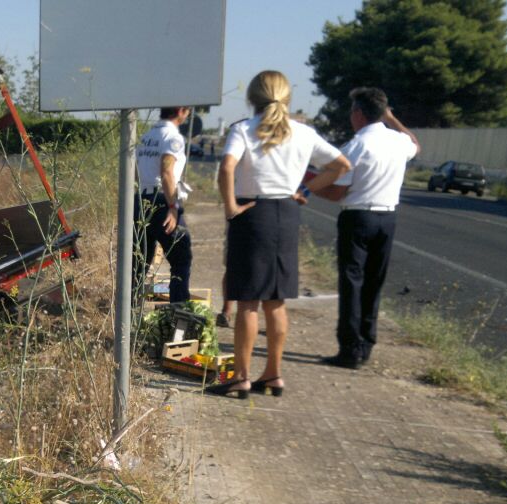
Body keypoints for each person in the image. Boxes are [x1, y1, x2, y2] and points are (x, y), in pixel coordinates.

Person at [207, 70, 351, 399]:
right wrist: (306, 189)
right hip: (286, 214)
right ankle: (273, 373)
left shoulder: (243, 129)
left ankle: (241, 376)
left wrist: (230, 206)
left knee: (247, 302)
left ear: (252, 98)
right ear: (287, 98)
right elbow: (342, 165)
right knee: (276, 301)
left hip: (252, 213)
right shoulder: (303, 132)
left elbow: (228, 166)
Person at [313, 87, 419, 369]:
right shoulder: (397, 141)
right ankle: (367, 342)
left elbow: (337, 192)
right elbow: (415, 144)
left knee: (352, 283)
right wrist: (391, 117)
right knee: (374, 282)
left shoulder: (355, 147)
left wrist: (311, 188)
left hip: (358, 217)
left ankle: (350, 347)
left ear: (358, 114)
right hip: (388, 218)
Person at [133, 106, 193, 306]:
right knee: (181, 259)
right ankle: (179, 315)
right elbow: (167, 172)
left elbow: (134, 172)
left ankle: (130, 317)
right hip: (162, 201)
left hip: (141, 200)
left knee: (138, 264)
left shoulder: (145, 137)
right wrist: (173, 207)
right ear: (182, 111)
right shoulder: (172, 138)